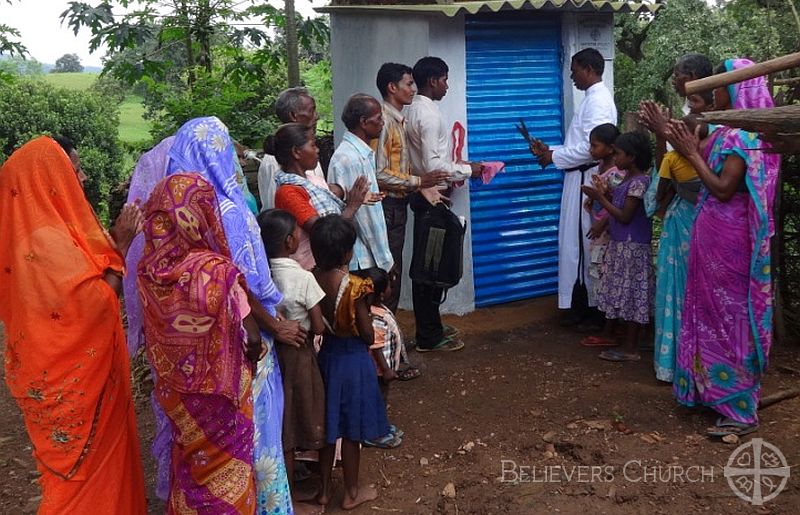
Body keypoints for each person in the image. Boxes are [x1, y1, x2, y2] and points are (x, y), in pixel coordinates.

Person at [167, 116, 307, 514]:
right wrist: (272, 325)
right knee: (255, 431)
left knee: (202, 438)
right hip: (243, 335)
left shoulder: (169, 210)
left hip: (190, 345)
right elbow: (243, 282)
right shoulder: (227, 210)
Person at [0, 136, 146, 514]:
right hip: (74, 381)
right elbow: (95, 305)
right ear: (48, 177)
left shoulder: (35, 235)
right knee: (79, 482)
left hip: (46, 369)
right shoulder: (48, 242)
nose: (80, 177)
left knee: (72, 477)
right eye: (74, 168)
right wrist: (122, 244)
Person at [666, 58, 779, 437]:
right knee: (707, 313)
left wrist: (692, 152)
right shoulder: (730, 131)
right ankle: (710, 391)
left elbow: (722, 188)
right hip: (712, 240)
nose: (712, 92)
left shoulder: (744, 137)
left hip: (729, 246)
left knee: (729, 319)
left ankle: (739, 408)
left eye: (718, 85)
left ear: (735, 89)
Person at [138, 173, 263, 513]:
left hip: (174, 391)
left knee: (191, 462)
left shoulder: (148, 274)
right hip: (220, 396)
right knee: (227, 468)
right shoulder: (218, 272)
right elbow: (252, 338)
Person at [530, 48, 618, 326]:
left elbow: (593, 150)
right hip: (577, 177)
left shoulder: (599, 102)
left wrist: (553, 156)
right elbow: (581, 146)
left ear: (589, 70)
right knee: (575, 244)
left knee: (584, 244)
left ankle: (591, 308)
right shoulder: (591, 99)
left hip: (586, 179)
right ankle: (582, 304)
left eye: (575, 69)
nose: (571, 75)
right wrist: (552, 151)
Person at [311, 215, 390, 511]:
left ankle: (322, 491)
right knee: (352, 431)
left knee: (329, 428)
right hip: (354, 360)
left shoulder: (312, 276)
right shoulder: (356, 286)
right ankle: (352, 493)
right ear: (347, 252)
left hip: (327, 357)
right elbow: (367, 333)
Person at [404, 56, 481, 352]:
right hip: (432, 198)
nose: (448, 85)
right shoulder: (430, 115)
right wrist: (468, 169)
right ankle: (428, 336)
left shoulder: (414, 111)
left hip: (423, 194)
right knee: (432, 267)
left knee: (428, 264)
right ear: (434, 80)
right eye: (445, 79)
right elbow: (434, 165)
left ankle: (431, 326)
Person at [258, 208, 327, 515]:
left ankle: (285, 489)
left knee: (280, 423)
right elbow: (319, 325)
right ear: (290, 241)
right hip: (299, 353)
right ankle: (296, 495)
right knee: (300, 418)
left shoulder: (262, 274)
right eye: (297, 232)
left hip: (272, 354)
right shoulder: (302, 277)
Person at [121, 135, 177, 500]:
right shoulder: (193, 220)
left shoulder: (146, 232)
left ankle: (176, 485)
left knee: (172, 408)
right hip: (181, 343)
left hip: (166, 339)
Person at [373, 62, 450, 312]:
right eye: (408, 84)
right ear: (392, 87)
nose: (413, 89)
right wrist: (418, 181)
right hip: (388, 205)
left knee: (394, 268)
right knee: (389, 271)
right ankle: (385, 340)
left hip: (398, 204)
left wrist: (420, 186)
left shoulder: (399, 120)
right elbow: (379, 173)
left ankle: (389, 335)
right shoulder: (384, 121)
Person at [581, 132, 654, 362]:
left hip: (632, 247)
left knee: (633, 296)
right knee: (624, 293)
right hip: (622, 245)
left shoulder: (639, 182)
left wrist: (601, 199)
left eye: (620, 154)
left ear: (631, 157)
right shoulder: (627, 180)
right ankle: (627, 342)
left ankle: (630, 348)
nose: (616, 157)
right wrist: (604, 194)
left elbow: (624, 216)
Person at [652, 116, 711, 382]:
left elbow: (659, 194)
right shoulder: (685, 160)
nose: (693, 143)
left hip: (699, 228)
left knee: (692, 291)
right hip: (683, 226)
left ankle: (692, 363)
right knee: (677, 290)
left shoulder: (713, 160)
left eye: (698, 138)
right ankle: (677, 362)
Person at [270, 122, 371, 270]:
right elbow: (325, 236)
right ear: (296, 152)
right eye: (313, 145)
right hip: (312, 270)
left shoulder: (312, 180)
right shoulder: (288, 192)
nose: (317, 150)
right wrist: (351, 207)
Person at [328, 93, 394, 274]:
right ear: (364, 122)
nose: (382, 123)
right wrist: (385, 260)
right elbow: (365, 217)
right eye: (378, 118)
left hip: (366, 256)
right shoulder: (351, 159)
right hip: (363, 258)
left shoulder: (360, 154)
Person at [578, 123, 622, 346]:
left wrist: (602, 222)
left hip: (607, 233)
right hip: (599, 232)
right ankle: (602, 319)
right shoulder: (600, 169)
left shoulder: (617, 174)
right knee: (597, 273)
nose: (591, 150)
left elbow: (618, 204)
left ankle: (608, 326)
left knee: (605, 275)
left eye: (595, 145)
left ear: (611, 148)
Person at [259, 87, 326, 210]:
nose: (316, 116)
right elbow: (275, 209)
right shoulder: (275, 158)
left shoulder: (309, 150)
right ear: (293, 116)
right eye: (312, 110)